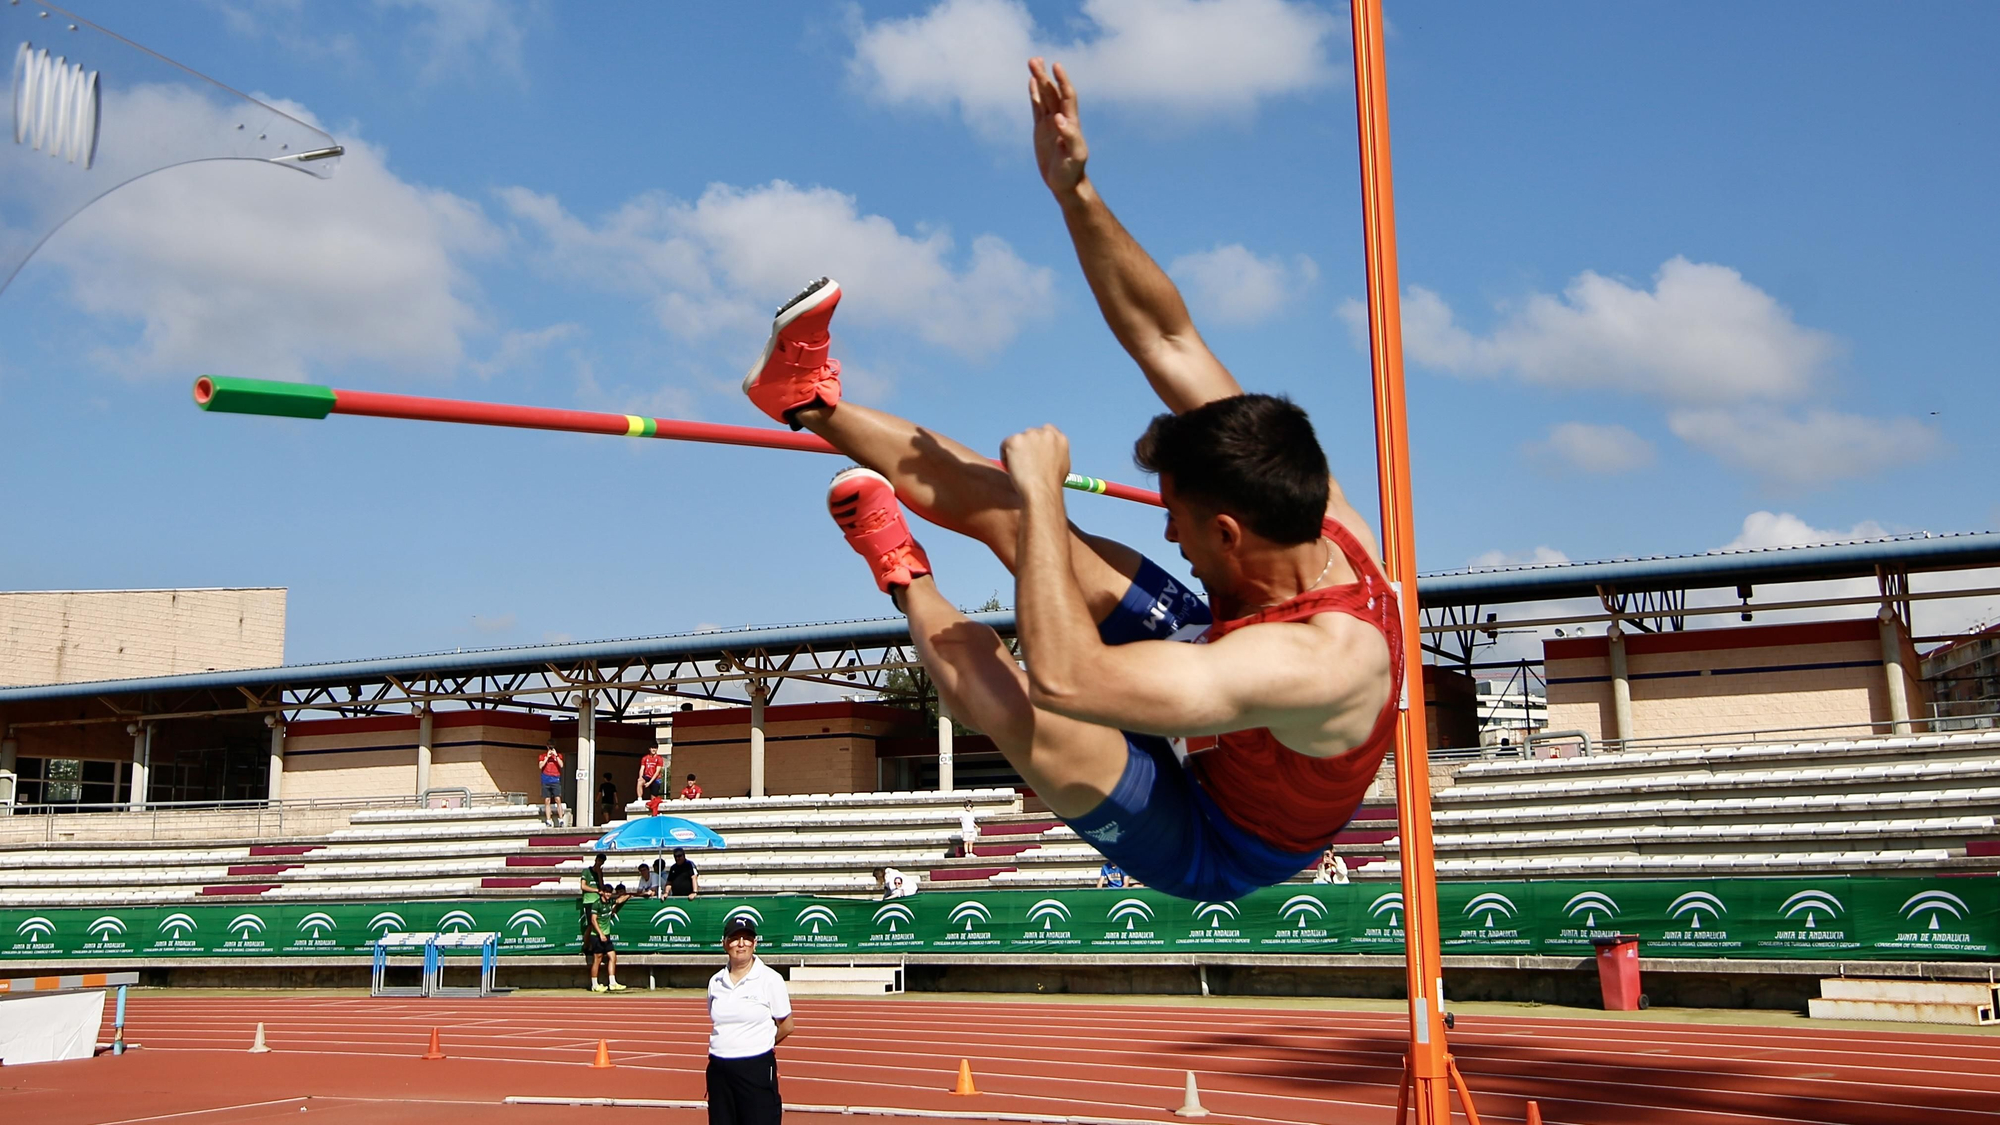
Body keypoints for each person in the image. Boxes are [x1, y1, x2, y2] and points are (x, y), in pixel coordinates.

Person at [738, 60, 1401, 903]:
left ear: (1229, 532)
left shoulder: (1323, 661)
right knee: (1015, 517)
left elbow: (1069, 681)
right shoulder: (1292, 484)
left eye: (1179, 522)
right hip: (1223, 673)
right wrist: (1075, 192)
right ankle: (804, 400)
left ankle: (904, 576)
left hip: (1218, 834)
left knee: (1011, 699)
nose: (1166, 536)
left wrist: (1051, 502)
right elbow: (1168, 337)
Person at [705, 914, 793, 1125]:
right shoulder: (715, 981)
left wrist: (761, 1044)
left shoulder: (770, 979)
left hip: (755, 1069)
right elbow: (716, 1020)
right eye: (735, 938)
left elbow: (787, 1025)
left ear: (755, 943)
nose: (741, 943)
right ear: (725, 943)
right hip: (719, 1069)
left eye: (747, 938)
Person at [582, 883, 632, 992]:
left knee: (612, 957)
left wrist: (630, 895)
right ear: (602, 893)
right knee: (597, 960)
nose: (608, 894)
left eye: (610, 892)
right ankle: (594, 985)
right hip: (597, 936)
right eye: (607, 892)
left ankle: (612, 982)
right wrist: (600, 934)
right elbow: (593, 920)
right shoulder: (596, 904)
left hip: (607, 936)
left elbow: (619, 900)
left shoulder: (609, 903)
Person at [538, 743, 567, 827]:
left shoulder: (558, 756)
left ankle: (561, 819)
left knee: (558, 799)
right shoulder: (542, 756)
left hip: (555, 780)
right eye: (550, 748)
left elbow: (561, 765)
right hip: (546, 780)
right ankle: (548, 820)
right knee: (547, 800)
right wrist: (547, 757)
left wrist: (556, 756)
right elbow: (540, 766)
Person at [639, 745, 668, 814]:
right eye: (652, 748)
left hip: (656, 778)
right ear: (649, 749)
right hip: (647, 776)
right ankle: (639, 798)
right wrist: (640, 777)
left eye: (655, 748)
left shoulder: (659, 758)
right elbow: (642, 768)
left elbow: (657, 772)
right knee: (639, 781)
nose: (653, 749)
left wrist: (649, 783)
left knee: (653, 799)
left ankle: (654, 813)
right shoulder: (645, 758)